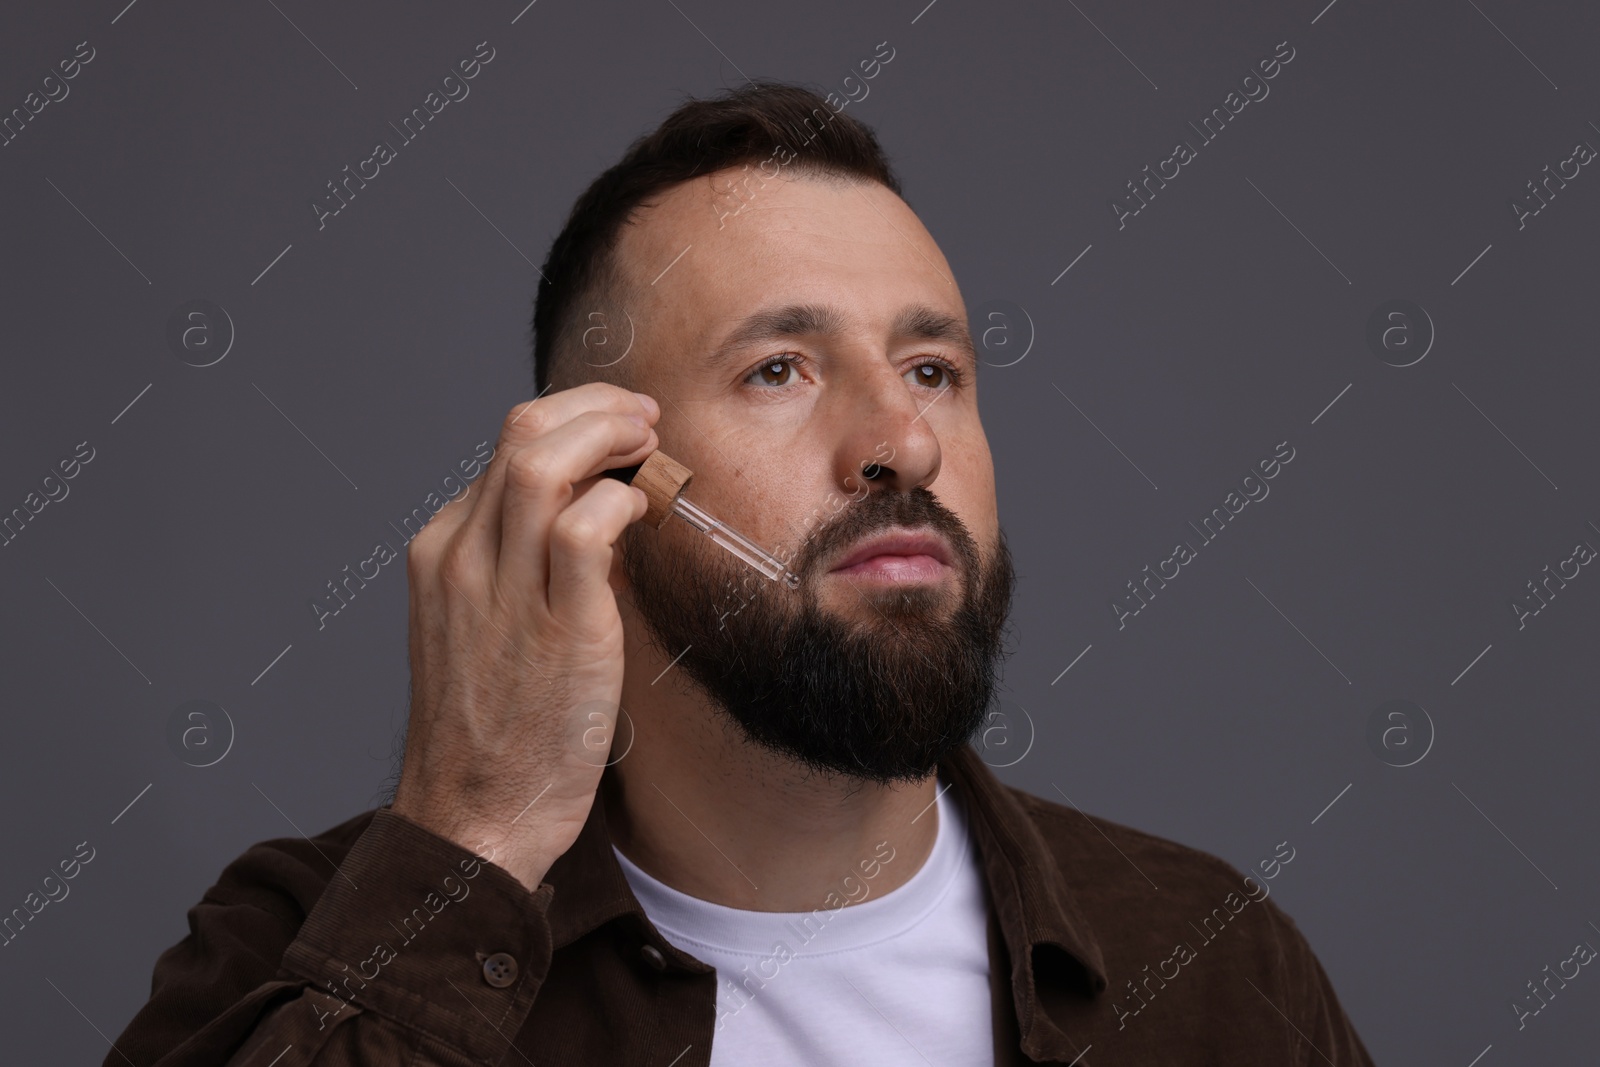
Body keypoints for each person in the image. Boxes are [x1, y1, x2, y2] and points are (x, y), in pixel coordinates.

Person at [109, 80, 1375, 1066]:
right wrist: (464, 843)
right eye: (780, 368)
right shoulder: (303, 939)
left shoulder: (1213, 962)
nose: (903, 441)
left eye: (932, 369)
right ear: (601, 478)